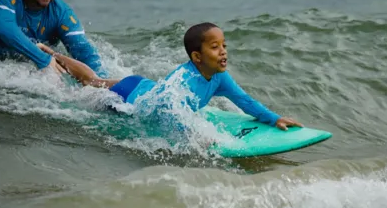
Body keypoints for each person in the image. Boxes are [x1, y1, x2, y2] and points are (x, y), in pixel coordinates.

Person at [38, 22, 303, 131]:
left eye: (224, 45)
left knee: (96, 79)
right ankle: (53, 55)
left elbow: (245, 101)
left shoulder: (221, 77)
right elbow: (167, 113)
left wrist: (274, 118)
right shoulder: (182, 80)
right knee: (90, 84)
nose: (223, 52)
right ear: (197, 57)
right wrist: (198, 138)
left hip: (144, 85)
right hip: (130, 94)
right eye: (214, 47)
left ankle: (55, 56)